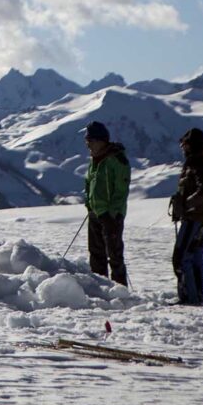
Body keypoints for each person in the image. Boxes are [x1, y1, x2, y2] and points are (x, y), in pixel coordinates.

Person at [170, 127, 203, 305]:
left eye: (185, 144)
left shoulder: (198, 163)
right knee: (194, 255)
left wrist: (185, 205)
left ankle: (189, 297)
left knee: (181, 257)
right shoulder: (198, 162)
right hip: (202, 217)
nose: (182, 147)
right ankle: (196, 295)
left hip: (195, 218)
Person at [83, 121, 130, 286]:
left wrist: (113, 213)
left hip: (111, 216)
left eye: (90, 140)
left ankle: (120, 290)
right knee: (96, 254)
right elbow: (88, 183)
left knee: (114, 256)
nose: (87, 144)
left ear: (101, 141)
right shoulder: (95, 160)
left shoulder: (117, 160)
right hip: (96, 213)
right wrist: (89, 204)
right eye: (86, 140)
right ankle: (101, 289)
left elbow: (121, 190)